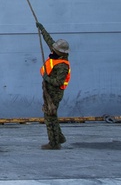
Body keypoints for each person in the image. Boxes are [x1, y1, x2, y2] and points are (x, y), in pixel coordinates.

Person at [36, 22, 70, 150]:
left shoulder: (62, 65)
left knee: (49, 117)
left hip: (54, 93)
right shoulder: (57, 54)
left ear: (60, 52)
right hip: (48, 91)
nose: (52, 49)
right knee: (53, 115)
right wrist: (42, 29)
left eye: (54, 49)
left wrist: (46, 78)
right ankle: (59, 137)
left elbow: (58, 82)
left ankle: (54, 143)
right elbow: (49, 40)